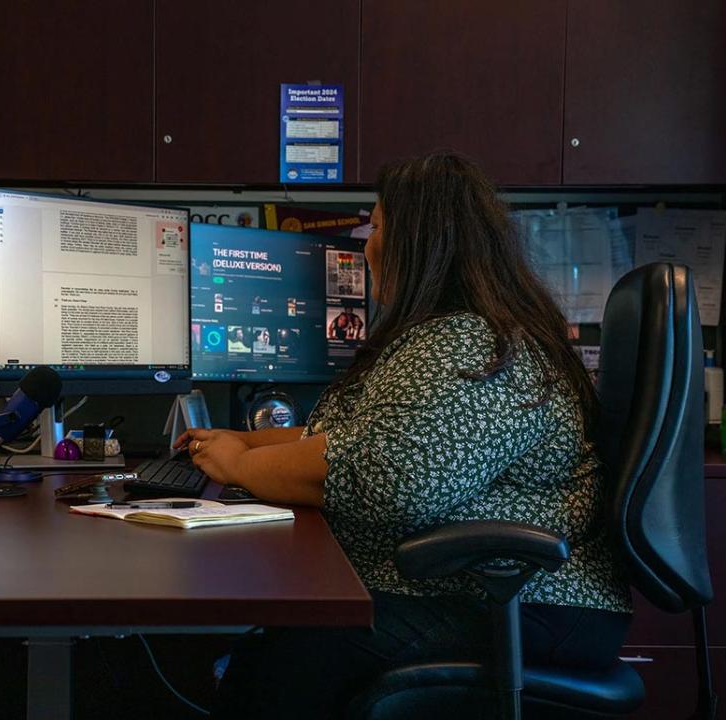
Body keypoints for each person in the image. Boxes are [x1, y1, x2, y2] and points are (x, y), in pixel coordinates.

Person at [174, 152, 632, 719]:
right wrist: (238, 443)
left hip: (523, 600)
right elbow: (346, 437)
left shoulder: (471, 348)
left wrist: (238, 467)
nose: (367, 241)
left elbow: (389, 482)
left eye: (378, 224)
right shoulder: (457, 337)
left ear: (418, 242)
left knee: (282, 661)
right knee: (282, 641)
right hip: (489, 592)